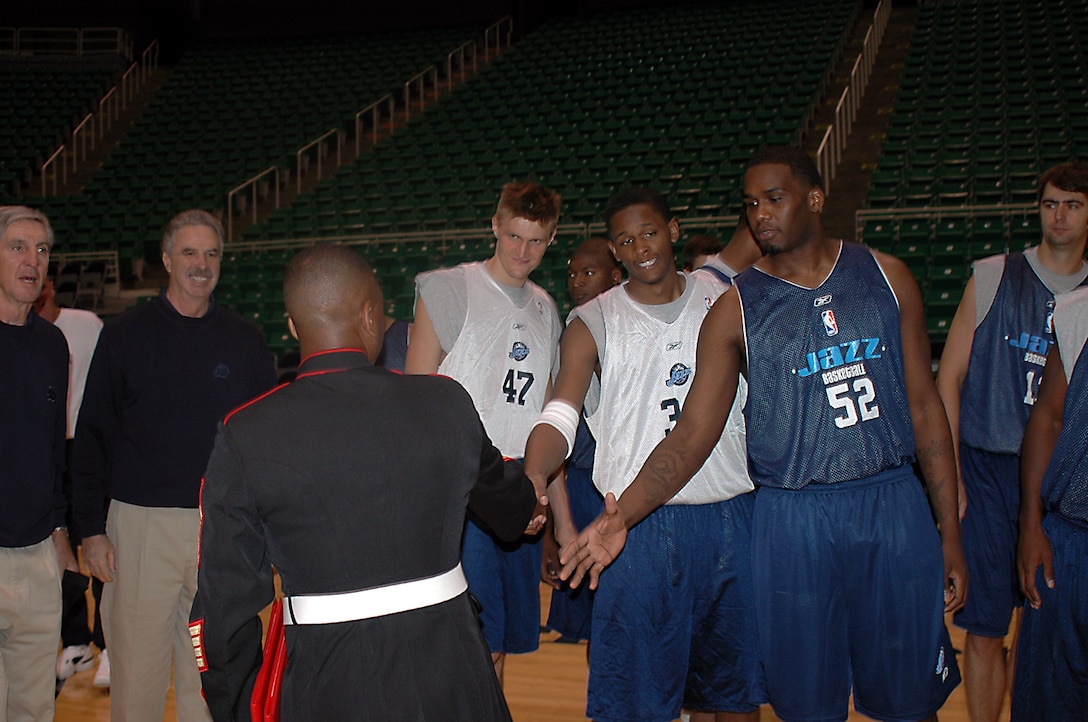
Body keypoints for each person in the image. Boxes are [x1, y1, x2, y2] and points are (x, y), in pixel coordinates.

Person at [561, 147, 967, 722]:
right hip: (792, 516)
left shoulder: (886, 276)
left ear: (815, 198)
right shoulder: (735, 308)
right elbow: (691, 436)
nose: (760, 215)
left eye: (774, 199)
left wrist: (948, 528)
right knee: (805, 706)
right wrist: (620, 516)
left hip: (890, 502)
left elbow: (926, 409)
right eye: (751, 204)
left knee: (907, 699)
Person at [189, 244, 537, 721]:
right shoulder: (445, 403)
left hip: (326, 680)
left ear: (293, 327)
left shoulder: (246, 432)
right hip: (454, 670)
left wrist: (238, 706)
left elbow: (222, 609)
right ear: (372, 316)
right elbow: (513, 511)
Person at [525, 189, 764, 722]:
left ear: (674, 230)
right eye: (626, 241)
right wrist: (535, 473)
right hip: (633, 528)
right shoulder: (593, 321)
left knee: (730, 698)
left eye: (649, 233)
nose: (641, 248)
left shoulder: (725, 297)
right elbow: (560, 411)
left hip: (729, 517)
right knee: (633, 705)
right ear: (614, 251)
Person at [73, 210, 277, 722]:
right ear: (166, 259)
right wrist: (91, 532)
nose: (201, 265)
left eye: (212, 254)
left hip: (222, 531)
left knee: (210, 685)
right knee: (137, 681)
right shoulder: (124, 337)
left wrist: (268, 532)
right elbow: (92, 437)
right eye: (189, 253)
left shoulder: (246, 341)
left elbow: (264, 445)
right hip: (139, 529)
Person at [936, 160, 1088, 721]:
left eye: (1073, 204)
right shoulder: (996, 274)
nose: (1060, 215)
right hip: (987, 468)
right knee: (985, 625)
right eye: (1051, 203)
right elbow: (947, 378)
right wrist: (949, 475)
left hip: (1062, 485)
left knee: (1044, 627)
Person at [405, 180, 562, 684]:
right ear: (495, 225)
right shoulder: (450, 288)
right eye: (514, 236)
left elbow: (548, 418)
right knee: (472, 640)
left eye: (536, 240)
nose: (523, 251)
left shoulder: (546, 309)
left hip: (520, 484)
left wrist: (555, 513)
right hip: (462, 485)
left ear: (552, 238)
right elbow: (415, 398)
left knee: (499, 644)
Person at [0, 205, 78, 722]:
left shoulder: (53, 345)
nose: (33, 260)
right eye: (17, 247)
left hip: (35, 559)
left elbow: (55, 451)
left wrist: (60, 537)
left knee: (33, 708)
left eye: (42, 249)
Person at [1013, 283, 1088, 720]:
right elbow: (1049, 415)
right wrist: (1031, 525)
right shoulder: (1078, 309)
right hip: (1070, 541)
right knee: (1050, 702)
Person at [540, 237, 621, 642]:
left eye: (588, 273)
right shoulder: (572, 332)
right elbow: (557, 442)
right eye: (572, 273)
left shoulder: (634, 327)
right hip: (586, 483)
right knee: (598, 623)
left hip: (631, 487)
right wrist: (556, 528)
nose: (577, 281)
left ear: (616, 275)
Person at [34, 277, 110, 693]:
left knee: (98, 545)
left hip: (88, 447)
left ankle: (108, 643)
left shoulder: (86, 323)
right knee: (57, 553)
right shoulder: (19, 333)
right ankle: (76, 642)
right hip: (46, 450)